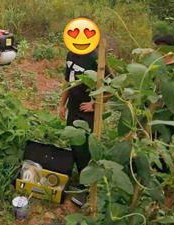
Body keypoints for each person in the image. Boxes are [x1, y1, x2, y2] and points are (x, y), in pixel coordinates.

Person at [59, 49, 109, 206]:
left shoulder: (95, 58)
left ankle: (87, 189)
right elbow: (67, 80)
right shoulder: (71, 54)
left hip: (86, 113)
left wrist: (94, 104)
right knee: (74, 145)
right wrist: (62, 104)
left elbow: (111, 87)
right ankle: (81, 181)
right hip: (73, 109)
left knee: (84, 149)